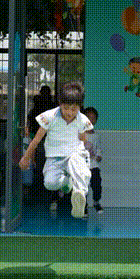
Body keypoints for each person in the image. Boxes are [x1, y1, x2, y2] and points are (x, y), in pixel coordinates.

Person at [19, 80, 92, 217]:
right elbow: (36, 140)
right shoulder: (50, 117)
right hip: (55, 158)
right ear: (60, 103)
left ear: (79, 107)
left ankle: (79, 193)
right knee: (49, 183)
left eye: (74, 109)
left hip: (74, 154)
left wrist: (86, 154)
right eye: (66, 108)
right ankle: (67, 182)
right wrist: (26, 157)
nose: (69, 112)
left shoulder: (82, 119)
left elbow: (83, 138)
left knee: (79, 166)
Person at [83, 107, 103, 213]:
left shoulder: (96, 135)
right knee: (83, 187)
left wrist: (99, 155)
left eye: (93, 118)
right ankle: (83, 206)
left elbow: (98, 148)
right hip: (82, 165)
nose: (90, 120)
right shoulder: (80, 134)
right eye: (88, 117)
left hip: (93, 164)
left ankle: (96, 201)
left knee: (97, 184)